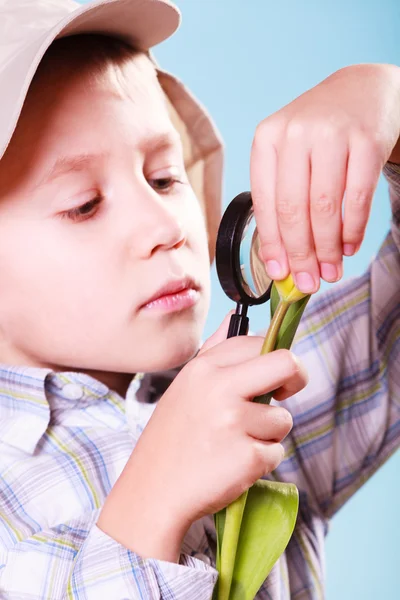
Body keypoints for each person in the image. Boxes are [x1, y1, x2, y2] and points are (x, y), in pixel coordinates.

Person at [0, 1, 398, 598]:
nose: (167, 223)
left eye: (164, 177)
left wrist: (387, 102)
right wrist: (153, 502)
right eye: (84, 203)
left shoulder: (256, 396)